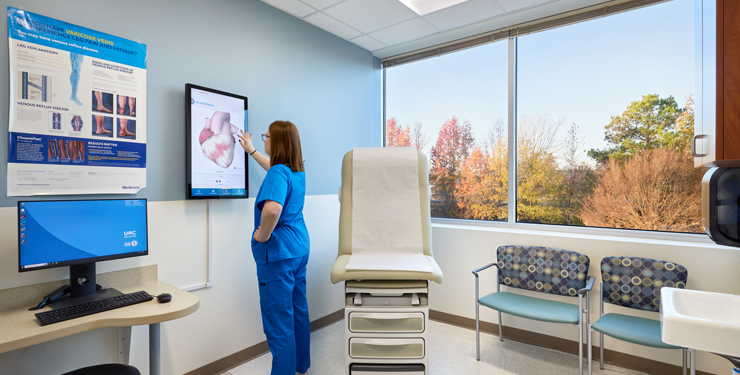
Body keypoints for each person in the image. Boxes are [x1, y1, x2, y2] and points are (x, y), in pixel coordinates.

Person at [238, 121, 310, 375]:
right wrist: (252, 151)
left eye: (266, 137)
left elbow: (273, 208)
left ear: (276, 141)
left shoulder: (279, 172)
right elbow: (274, 170)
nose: (264, 140)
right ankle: (301, 367)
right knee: (297, 309)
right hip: (298, 249)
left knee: (279, 321)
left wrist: (262, 235)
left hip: (278, 254)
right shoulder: (295, 170)